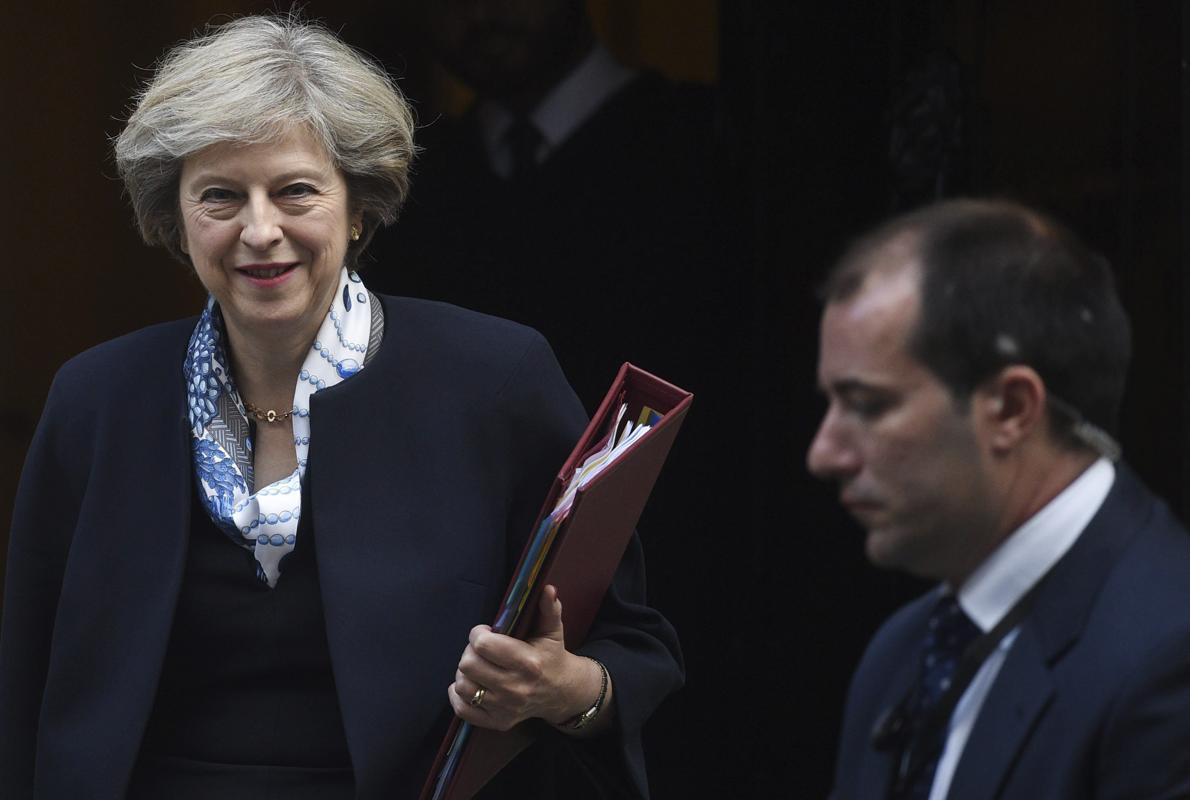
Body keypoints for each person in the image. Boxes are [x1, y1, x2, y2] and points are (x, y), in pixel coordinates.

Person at [0, 15, 682, 799]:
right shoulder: (96, 400)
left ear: (357, 207)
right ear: (175, 218)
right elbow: (29, 686)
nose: (261, 230)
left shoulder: (493, 380)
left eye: (295, 190)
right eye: (220, 196)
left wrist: (571, 691)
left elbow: (635, 646)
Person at [807, 199, 1190, 798]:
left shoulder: (1166, 656)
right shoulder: (903, 650)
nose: (824, 455)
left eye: (867, 405)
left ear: (1011, 409)